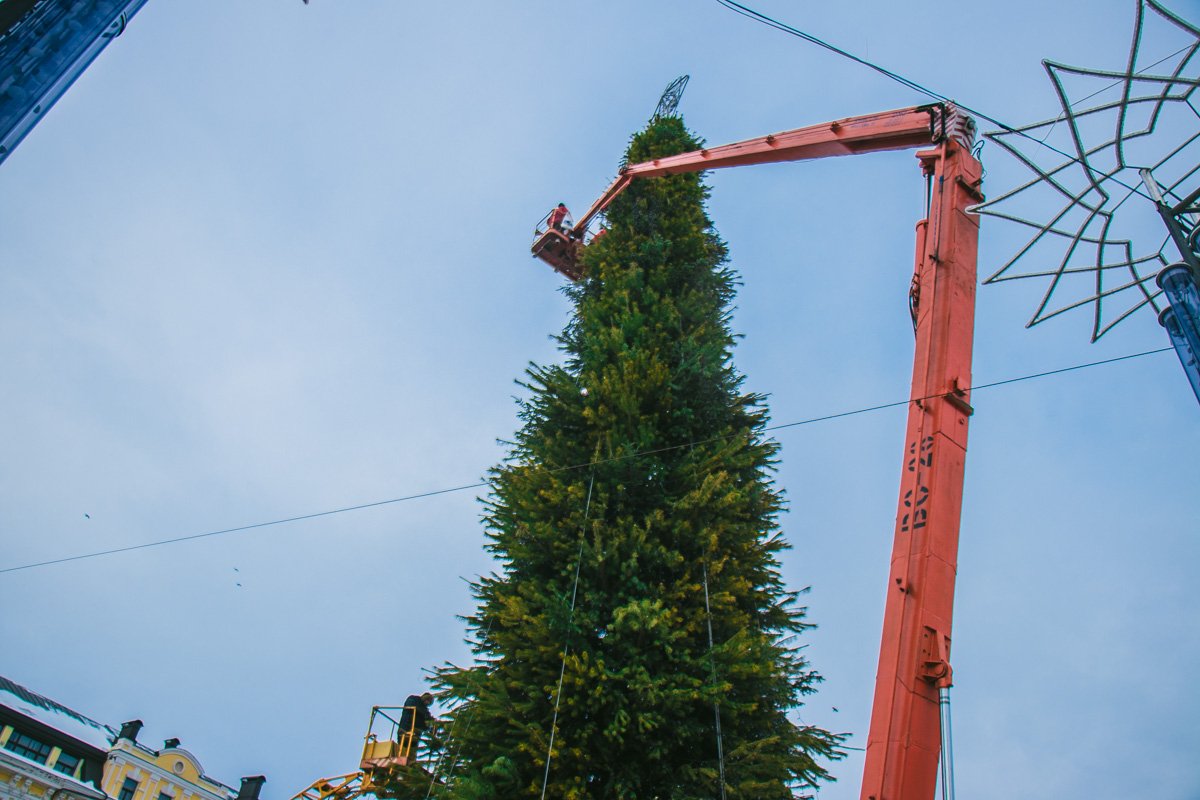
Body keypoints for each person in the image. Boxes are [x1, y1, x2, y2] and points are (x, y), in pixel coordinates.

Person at [399, 692, 434, 758]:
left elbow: (426, 724)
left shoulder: (425, 710)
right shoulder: (413, 699)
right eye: (427, 699)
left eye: (430, 702)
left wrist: (431, 726)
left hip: (416, 734)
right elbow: (410, 706)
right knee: (402, 749)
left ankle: (409, 764)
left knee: (411, 753)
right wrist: (425, 714)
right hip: (405, 728)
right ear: (423, 696)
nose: (428, 702)